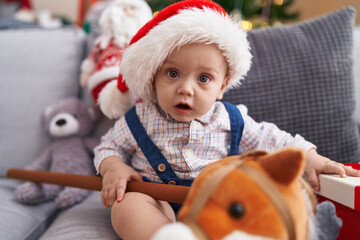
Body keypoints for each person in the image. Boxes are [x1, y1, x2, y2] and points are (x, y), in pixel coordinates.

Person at [93, 1, 360, 239]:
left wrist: (310, 158)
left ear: (222, 86)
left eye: (204, 78)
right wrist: (113, 167)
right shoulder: (138, 118)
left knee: (247, 204)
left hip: (214, 204)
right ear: (153, 77)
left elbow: (276, 141)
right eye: (172, 73)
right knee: (127, 205)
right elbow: (108, 147)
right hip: (155, 199)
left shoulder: (231, 120)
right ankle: (162, 235)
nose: (186, 88)